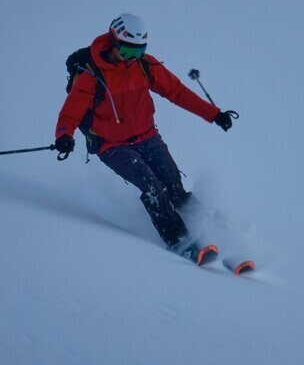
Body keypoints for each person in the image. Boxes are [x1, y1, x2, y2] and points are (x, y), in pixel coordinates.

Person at [54, 13, 236, 262]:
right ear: (114, 42)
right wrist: (64, 135)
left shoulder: (143, 65)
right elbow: (70, 112)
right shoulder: (91, 74)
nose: (132, 58)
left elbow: (177, 92)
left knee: (174, 187)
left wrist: (214, 115)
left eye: (139, 51)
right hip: (112, 145)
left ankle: (215, 229)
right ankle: (181, 242)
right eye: (127, 52)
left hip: (147, 137)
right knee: (154, 188)